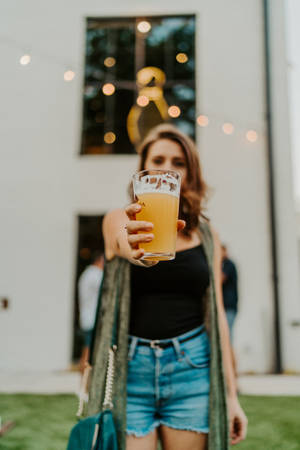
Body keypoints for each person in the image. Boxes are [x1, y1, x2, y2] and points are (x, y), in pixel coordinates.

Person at [87, 124, 247, 450]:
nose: (167, 169)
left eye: (178, 162)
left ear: (190, 172)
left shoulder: (205, 236)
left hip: (193, 368)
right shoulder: (120, 219)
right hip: (131, 373)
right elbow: (124, 244)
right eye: (158, 160)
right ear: (142, 169)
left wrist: (231, 396)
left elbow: (216, 314)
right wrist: (141, 252)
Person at [78, 251, 104, 372]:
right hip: (92, 319)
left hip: (87, 318)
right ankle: (84, 379)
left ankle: (83, 380)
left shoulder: (87, 274)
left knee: (87, 348)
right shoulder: (95, 274)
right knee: (88, 350)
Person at [221, 244, 238, 342]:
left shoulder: (228, 264)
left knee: (227, 337)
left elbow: (220, 279)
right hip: (226, 307)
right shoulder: (225, 264)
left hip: (228, 307)